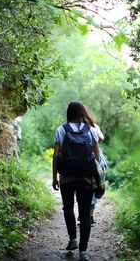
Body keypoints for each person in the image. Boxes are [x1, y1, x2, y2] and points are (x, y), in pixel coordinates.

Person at [52, 101, 100, 261]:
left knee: (68, 207)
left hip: (66, 176)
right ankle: (83, 251)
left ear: (69, 113)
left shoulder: (61, 130)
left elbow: (55, 156)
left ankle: (72, 238)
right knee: (85, 212)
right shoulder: (91, 130)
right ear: (82, 113)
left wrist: (54, 177)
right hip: (86, 177)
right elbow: (97, 158)